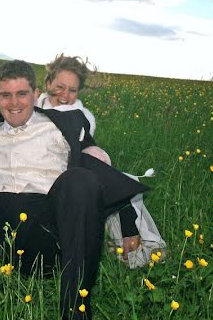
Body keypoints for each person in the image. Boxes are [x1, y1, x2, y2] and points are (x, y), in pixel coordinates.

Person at [0, 60, 147, 320]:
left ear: (36, 94)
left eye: (22, 93)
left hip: (49, 232)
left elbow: (99, 168)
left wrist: (129, 222)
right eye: (6, 95)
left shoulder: (63, 125)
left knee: (80, 180)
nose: (14, 103)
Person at [37, 55, 165, 267]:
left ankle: (127, 229)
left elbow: (92, 161)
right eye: (59, 87)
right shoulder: (28, 108)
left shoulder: (79, 118)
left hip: (61, 183)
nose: (65, 96)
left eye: (72, 90)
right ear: (48, 82)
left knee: (99, 162)